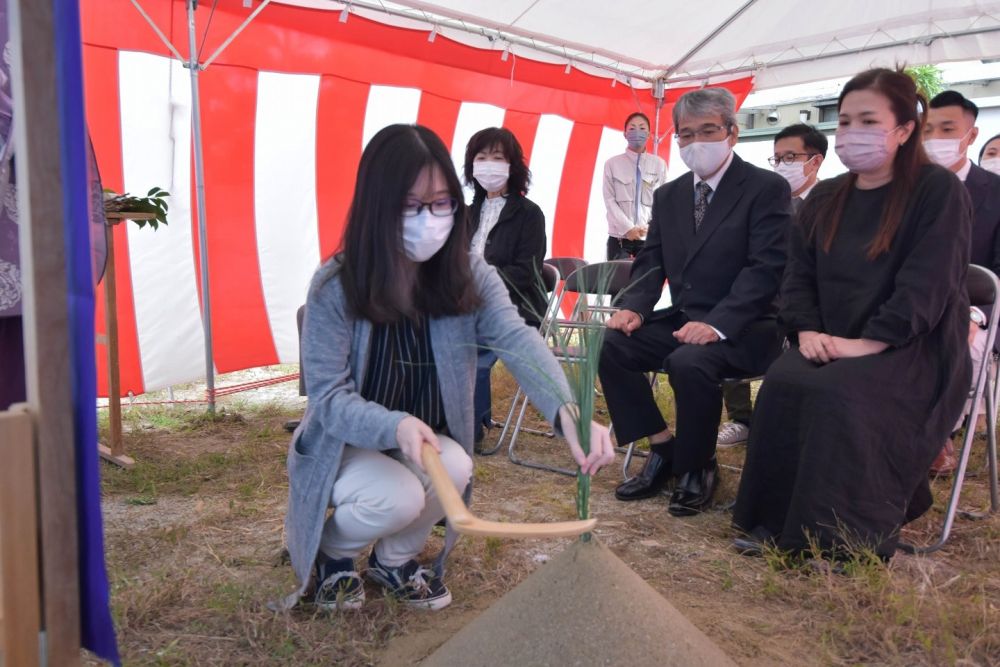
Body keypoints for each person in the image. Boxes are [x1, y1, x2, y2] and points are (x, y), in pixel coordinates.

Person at [283, 124, 614, 613]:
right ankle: (334, 553)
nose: (430, 219)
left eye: (442, 203)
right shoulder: (336, 284)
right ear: (377, 207)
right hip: (345, 443)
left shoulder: (467, 273)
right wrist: (392, 424)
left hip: (427, 437)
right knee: (397, 497)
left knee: (456, 465)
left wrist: (568, 412)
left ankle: (393, 561)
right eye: (410, 205)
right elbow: (329, 399)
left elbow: (517, 339)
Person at [732, 68, 973, 562]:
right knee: (782, 382)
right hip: (828, 337)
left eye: (868, 120)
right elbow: (797, 275)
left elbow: (927, 284)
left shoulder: (937, 192)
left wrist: (870, 343)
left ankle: (841, 535)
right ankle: (777, 523)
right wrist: (805, 330)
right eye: (844, 121)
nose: (851, 132)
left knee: (837, 392)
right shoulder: (826, 196)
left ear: (904, 129)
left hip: (912, 348)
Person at [599, 87, 791, 517]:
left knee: (689, 362)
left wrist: (719, 324)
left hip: (748, 326)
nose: (697, 142)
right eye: (686, 134)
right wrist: (633, 307)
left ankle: (698, 466)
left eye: (709, 130)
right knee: (614, 347)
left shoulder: (766, 188)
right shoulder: (669, 195)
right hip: (685, 320)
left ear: (732, 132)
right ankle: (663, 447)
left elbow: (765, 269)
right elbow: (651, 262)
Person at [718, 123, 828, 448]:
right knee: (727, 321)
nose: (782, 165)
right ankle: (740, 418)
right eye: (777, 158)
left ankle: (789, 421)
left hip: (809, 306)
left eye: (790, 157)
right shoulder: (765, 201)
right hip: (764, 298)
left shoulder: (831, 203)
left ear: (815, 161)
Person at [924, 91, 1000, 475]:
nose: (935, 137)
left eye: (947, 129)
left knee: (953, 342)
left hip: (978, 312)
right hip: (914, 304)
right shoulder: (904, 190)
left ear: (971, 135)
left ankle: (934, 434)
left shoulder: (996, 192)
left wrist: (973, 313)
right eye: (927, 129)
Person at [463, 127, 547, 446]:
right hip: (465, 304)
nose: (488, 164)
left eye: (497, 157)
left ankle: (466, 424)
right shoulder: (466, 213)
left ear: (512, 166)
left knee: (468, 343)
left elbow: (525, 272)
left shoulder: (530, 214)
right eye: (481, 157)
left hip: (513, 307)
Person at [602, 112, 667, 260]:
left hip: (648, 238)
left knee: (645, 281)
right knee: (617, 282)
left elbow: (663, 202)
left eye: (642, 128)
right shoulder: (612, 164)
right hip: (619, 238)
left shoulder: (659, 165)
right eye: (632, 128)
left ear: (649, 134)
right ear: (625, 134)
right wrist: (628, 228)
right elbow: (609, 199)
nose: (637, 132)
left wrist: (649, 227)